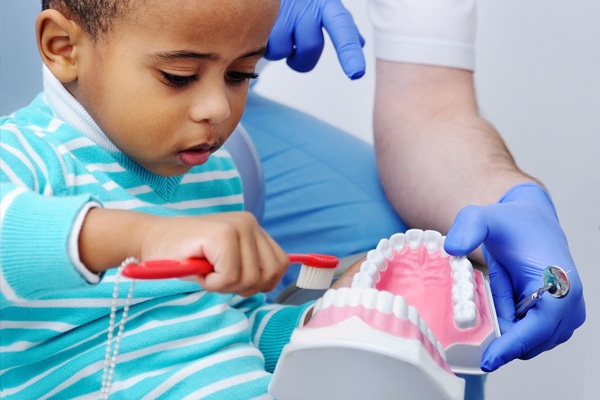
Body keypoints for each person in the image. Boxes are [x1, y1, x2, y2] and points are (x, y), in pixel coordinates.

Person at [0, 1, 361, 398]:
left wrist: (327, 324)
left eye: (240, 74)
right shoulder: (23, 156)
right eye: (179, 76)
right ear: (64, 47)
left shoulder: (215, 174)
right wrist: (146, 237)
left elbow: (227, 326)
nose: (218, 108)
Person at [241, 0, 586, 398]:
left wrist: (512, 200)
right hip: (170, 88)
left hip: (222, 94)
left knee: (424, 292)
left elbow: (429, 106)